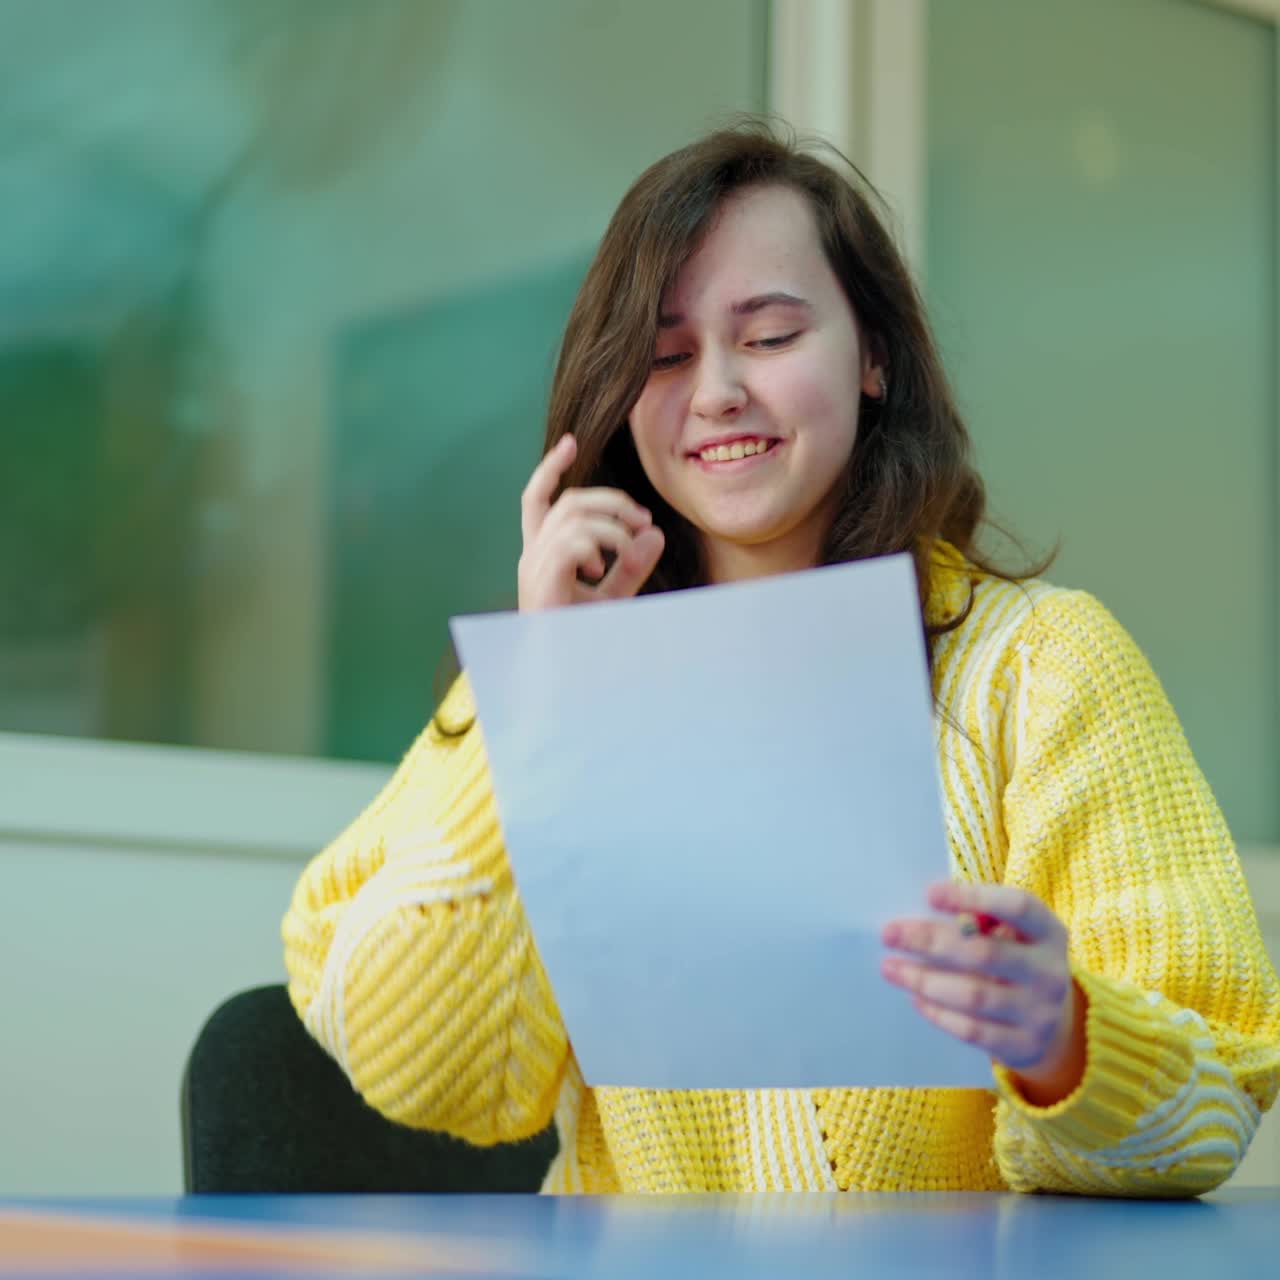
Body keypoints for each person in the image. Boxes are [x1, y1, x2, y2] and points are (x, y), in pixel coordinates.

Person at [283, 121, 1279, 1195]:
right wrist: (544, 687)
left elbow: (1215, 1103)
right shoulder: (549, 675)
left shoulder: (1041, 666)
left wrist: (1064, 1038)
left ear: (873, 357)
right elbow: (415, 1064)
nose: (714, 391)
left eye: (766, 336)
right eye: (664, 355)